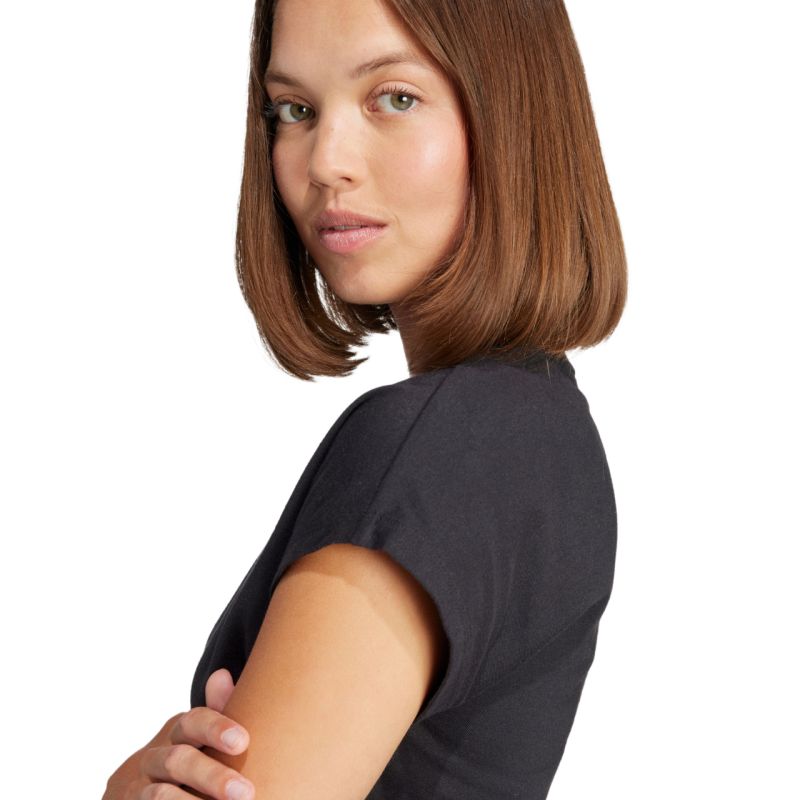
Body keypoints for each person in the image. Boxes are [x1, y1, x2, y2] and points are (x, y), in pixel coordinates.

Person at [103, 0, 627, 796]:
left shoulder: (446, 445)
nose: (325, 162)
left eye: (394, 97)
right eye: (295, 110)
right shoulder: (541, 430)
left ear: (511, 115)